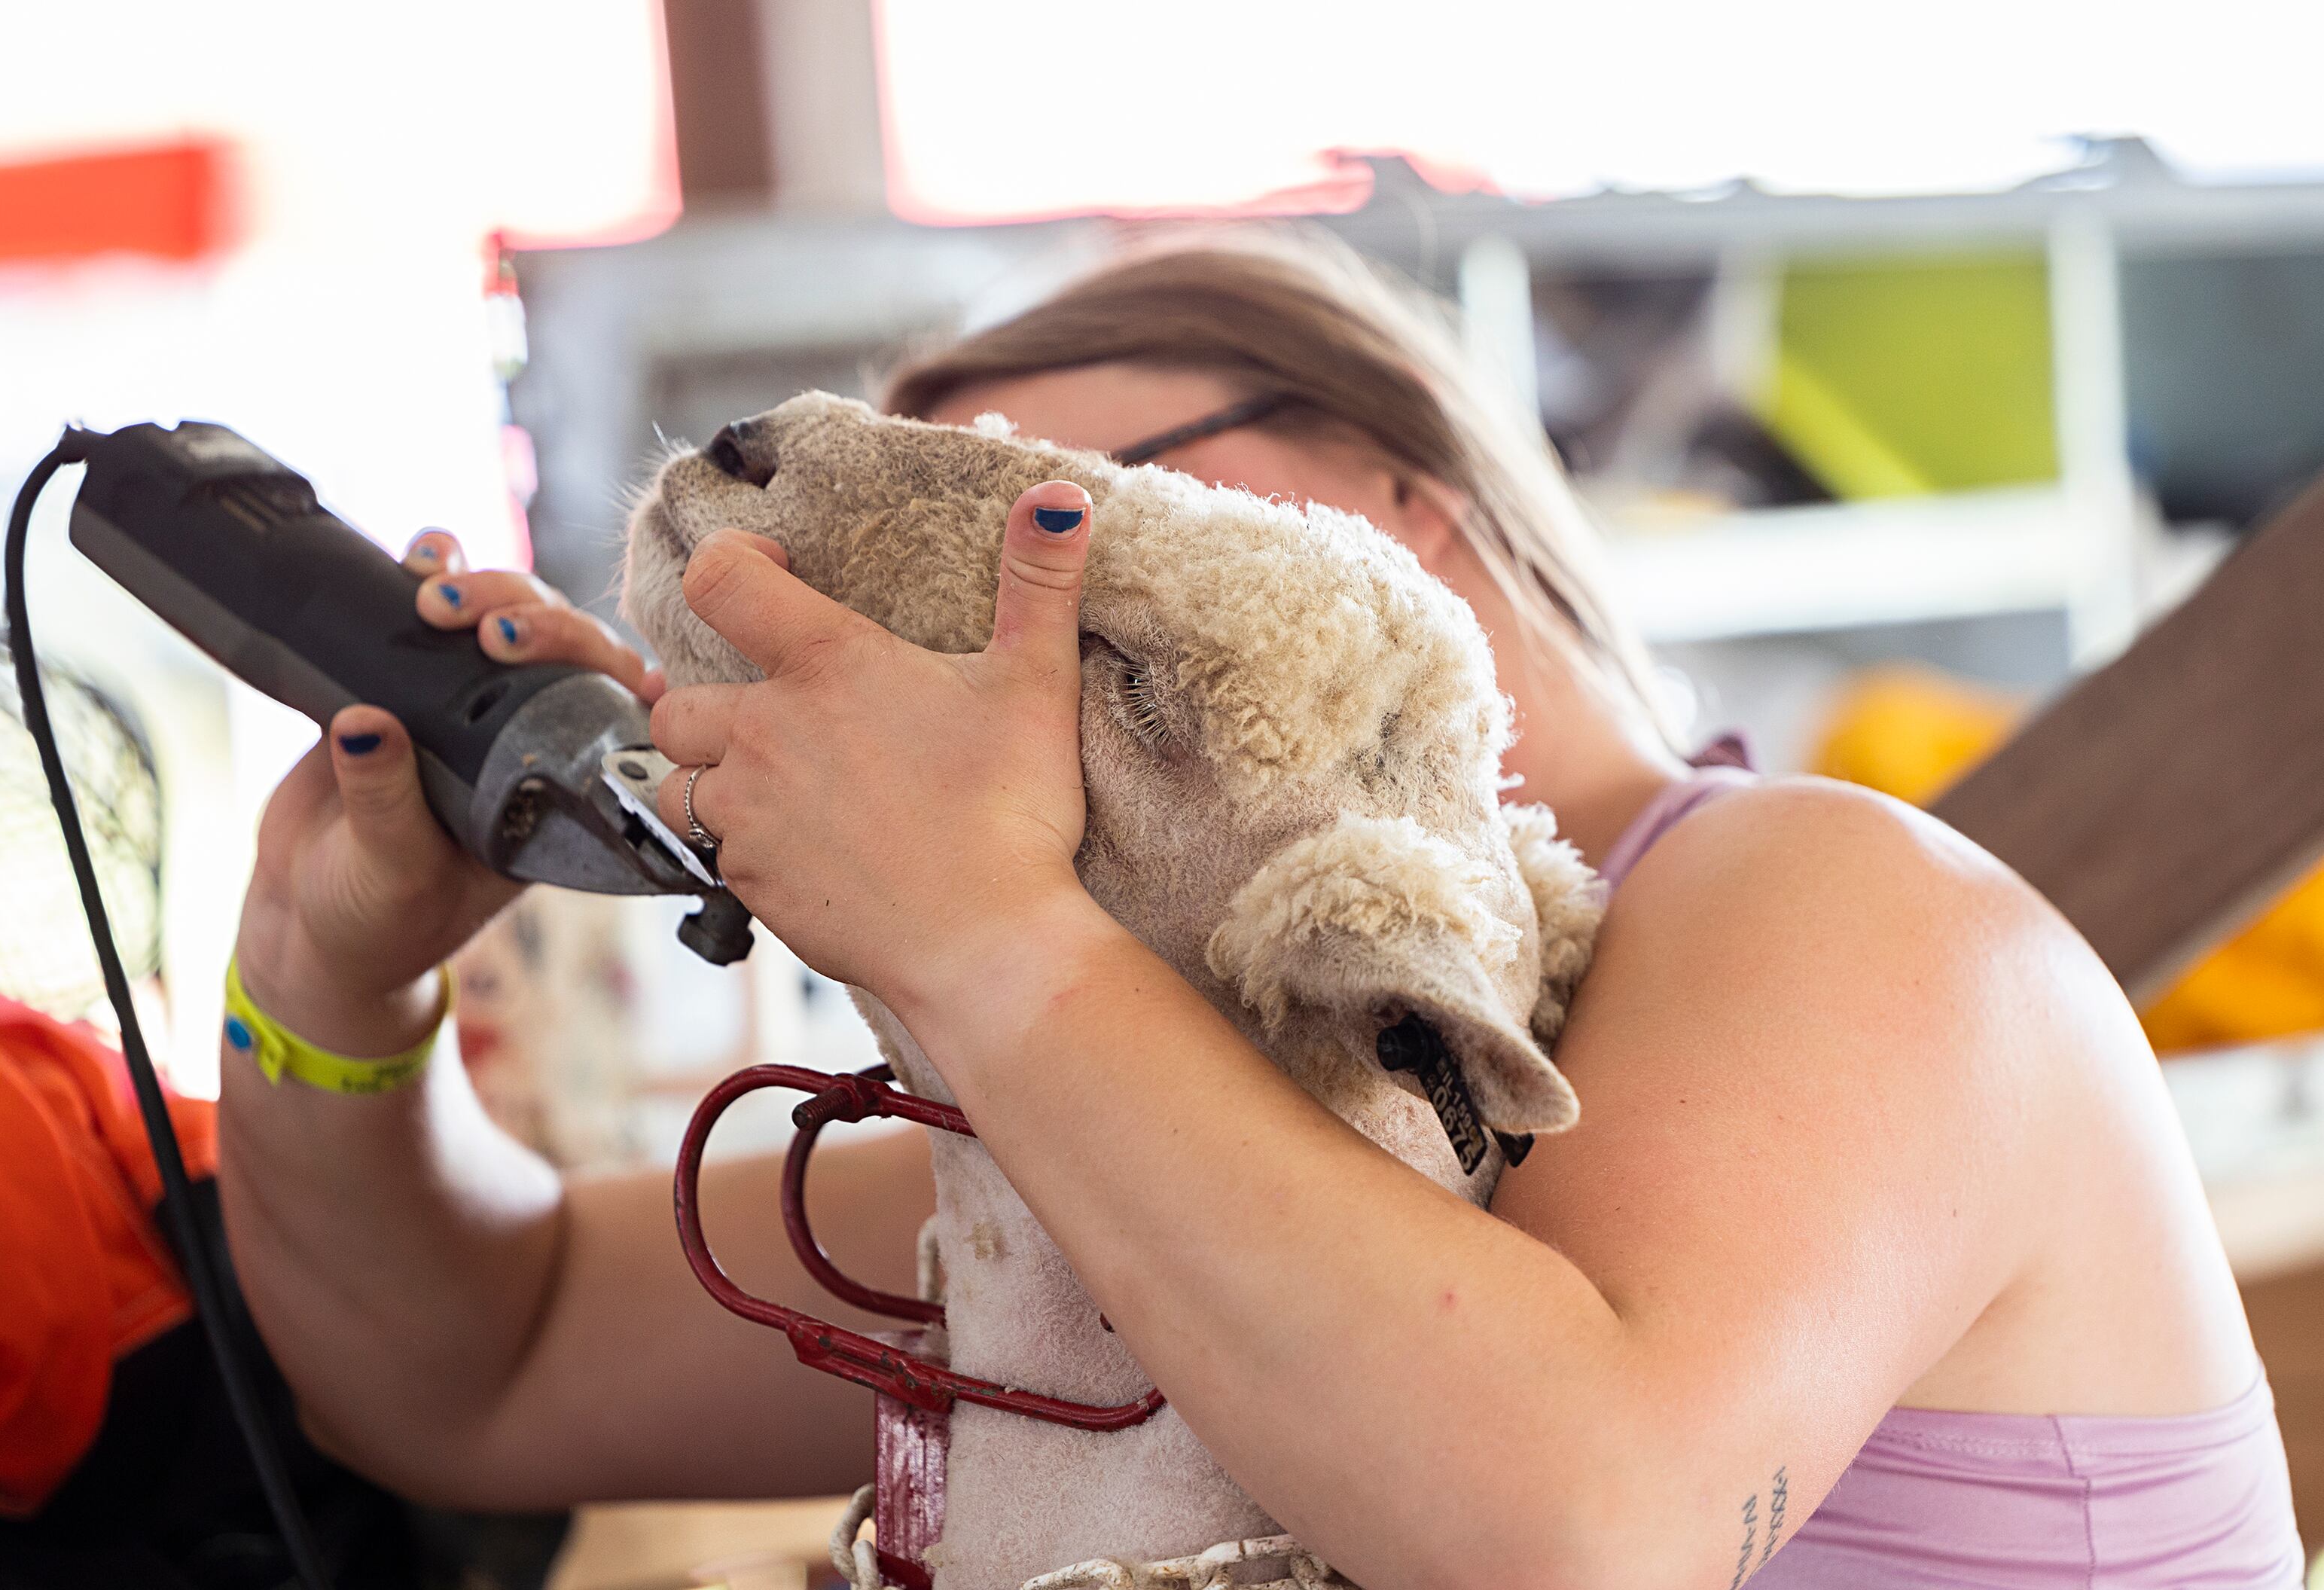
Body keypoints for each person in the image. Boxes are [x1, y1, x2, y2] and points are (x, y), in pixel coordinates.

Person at [215, 239, 2301, 1586]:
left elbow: (1586, 1532)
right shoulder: (1156, 1093)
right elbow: (475, 1366)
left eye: (1041, 503)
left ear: (1408, 514)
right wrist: (326, 985)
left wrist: (982, 941)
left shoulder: (1833, 899)